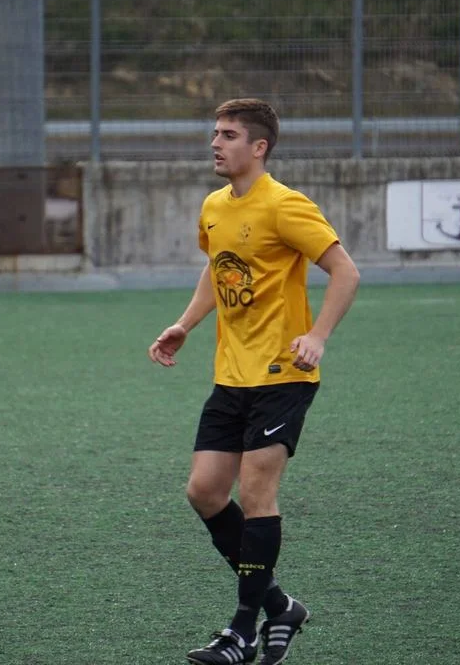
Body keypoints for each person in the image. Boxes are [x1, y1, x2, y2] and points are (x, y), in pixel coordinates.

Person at [147, 98, 360, 665]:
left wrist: (318, 335)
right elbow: (217, 267)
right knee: (204, 492)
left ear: (259, 147)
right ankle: (281, 606)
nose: (215, 143)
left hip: (284, 374)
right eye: (215, 133)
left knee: (256, 493)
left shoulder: (286, 205)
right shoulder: (214, 206)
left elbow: (345, 271)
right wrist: (185, 324)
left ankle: (242, 631)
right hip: (232, 375)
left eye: (228, 135)